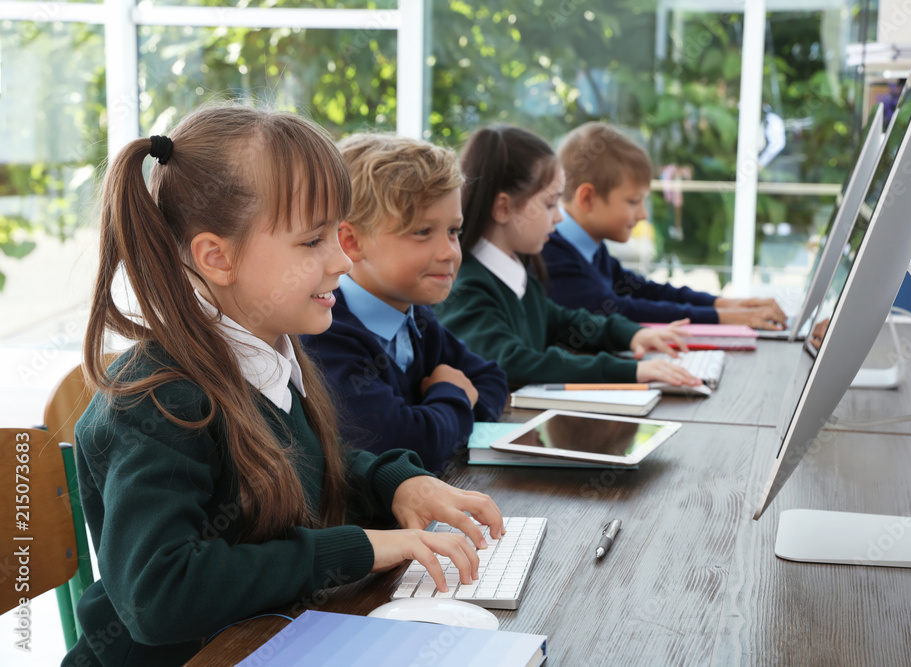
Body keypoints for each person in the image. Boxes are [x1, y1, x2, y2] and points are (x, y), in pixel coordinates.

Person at [67, 105, 503, 667]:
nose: (344, 260)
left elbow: (306, 464)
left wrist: (397, 484)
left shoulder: (267, 354)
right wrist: (361, 548)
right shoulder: (160, 398)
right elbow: (158, 594)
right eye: (313, 241)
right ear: (216, 257)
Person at [301, 134, 508, 474]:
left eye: (454, 231)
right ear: (351, 242)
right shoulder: (326, 334)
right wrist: (451, 393)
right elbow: (408, 447)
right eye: (423, 232)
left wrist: (438, 416)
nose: (450, 252)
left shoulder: (418, 319)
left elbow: (491, 379)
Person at [434, 125, 702, 388]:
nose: (559, 217)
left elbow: (562, 320)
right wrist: (631, 371)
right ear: (503, 208)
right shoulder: (467, 287)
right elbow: (512, 361)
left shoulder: (517, 274)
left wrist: (633, 334)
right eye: (550, 204)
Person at [541, 121, 788, 330]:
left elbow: (644, 291)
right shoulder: (552, 257)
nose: (643, 214)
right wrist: (724, 318)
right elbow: (618, 311)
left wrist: (723, 304)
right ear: (587, 198)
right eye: (633, 201)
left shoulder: (590, 250)